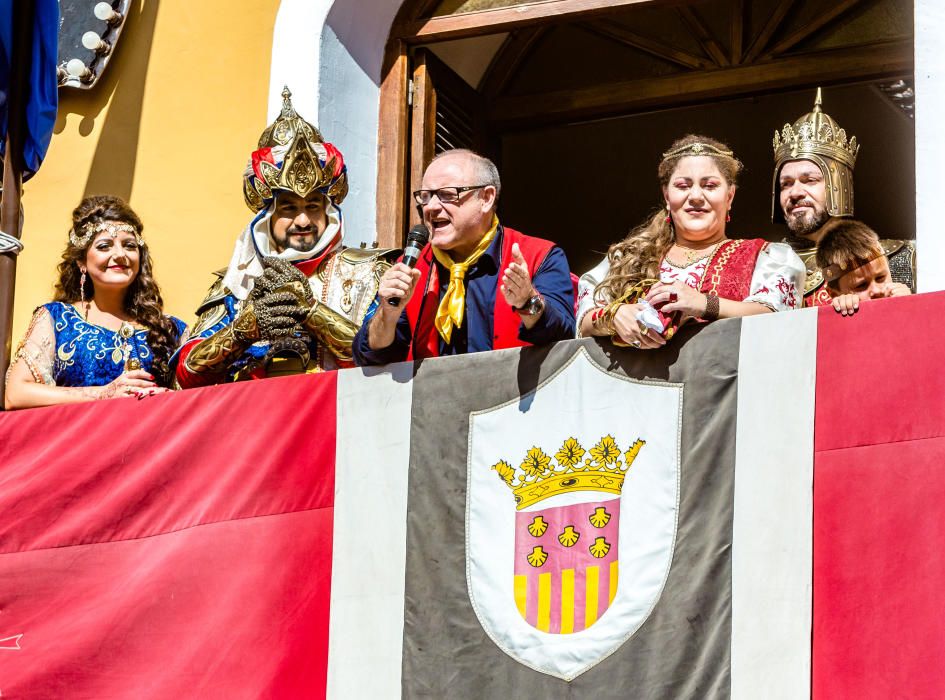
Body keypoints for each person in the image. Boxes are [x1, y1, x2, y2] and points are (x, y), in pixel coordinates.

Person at [173, 87, 397, 386]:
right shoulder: (236, 284)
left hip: (338, 422)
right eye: (289, 208)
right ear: (268, 216)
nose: (303, 220)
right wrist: (242, 330)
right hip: (258, 422)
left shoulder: (372, 272)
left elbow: (383, 357)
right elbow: (186, 375)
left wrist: (310, 310)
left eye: (313, 206)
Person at [577, 135, 805, 349]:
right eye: (683, 186)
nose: (696, 196)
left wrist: (705, 304)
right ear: (667, 197)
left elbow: (779, 318)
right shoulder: (627, 259)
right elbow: (583, 323)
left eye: (710, 185)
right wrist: (613, 316)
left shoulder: (764, 256)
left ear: (730, 197)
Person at [352, 149, 575, 365]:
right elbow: (370, 356)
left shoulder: (539, 255)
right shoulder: (410, 268)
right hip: (434, 400)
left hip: (515, 399)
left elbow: (566, 338)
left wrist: (527, 301)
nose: (430, 207)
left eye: (447, 195)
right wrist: (388, 313)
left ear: (486, 198)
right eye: (425, 197)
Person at [4, 195, 187, 409]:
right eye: (104, 246)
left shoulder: (171, 329)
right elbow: (16, 394)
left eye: (129, 245)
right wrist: (103, 393)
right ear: (82, 261)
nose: (120, 255)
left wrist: (167, 398)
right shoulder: (57, 319)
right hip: (82, 441)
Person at [772, 88, 916, 307]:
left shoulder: (898, 256)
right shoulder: (767, 264)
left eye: (809, 180)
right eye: (786, 184)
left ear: (837, 185)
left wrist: (911, 305)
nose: (795, 192)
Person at [815, 218, 911, 316]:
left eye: (880, 278)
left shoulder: (907, 301)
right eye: (861, 285)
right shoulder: (835, 323)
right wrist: (840, 315)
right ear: (835, 294)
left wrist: (912, 305)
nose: (876, 291)